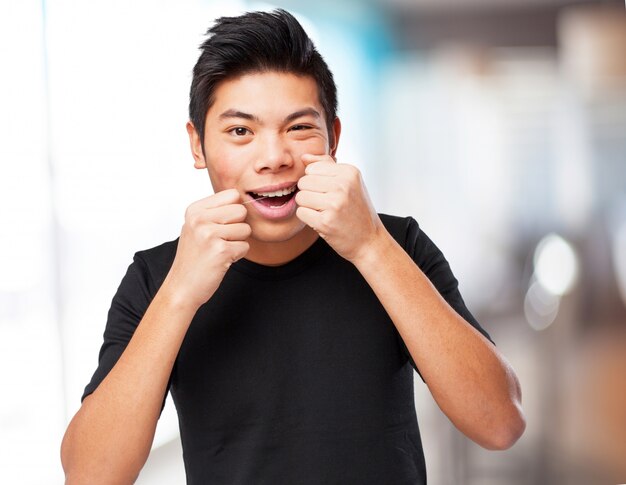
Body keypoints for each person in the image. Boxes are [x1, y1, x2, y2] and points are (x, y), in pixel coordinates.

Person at [60, 9, 525, 485]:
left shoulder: (396, 243)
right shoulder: (157, 277)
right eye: (240, 131)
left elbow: (500, 423)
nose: (274, 158)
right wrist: (180, 293)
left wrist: (369, 246)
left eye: (299, 127)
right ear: (197, 145)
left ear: (334, 138)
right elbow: (90, 475)